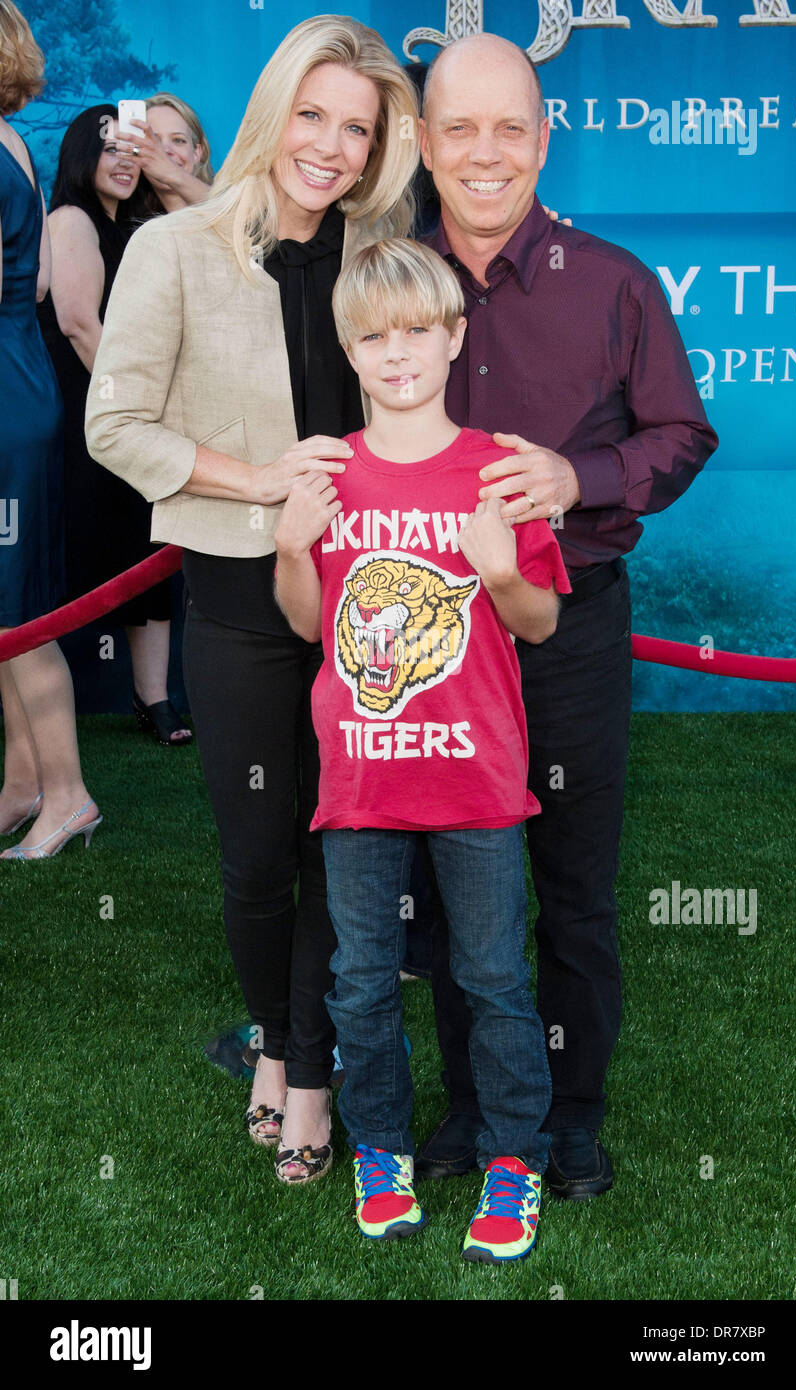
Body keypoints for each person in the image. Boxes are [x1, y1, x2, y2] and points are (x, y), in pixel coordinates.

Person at [85, 16, 419, 1181]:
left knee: (348, 843)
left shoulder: (382, 256)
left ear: (381, 148)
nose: (329, 147)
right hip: (233, 588)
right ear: (274, 112)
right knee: (256, 849)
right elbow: (116, 424)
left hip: (370, 594)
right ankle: (273, 1041)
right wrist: (265, 478)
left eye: (358, 129)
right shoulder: (173, 251)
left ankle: (312, 1072)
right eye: (314, 116)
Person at [413, 33, 719, 1196]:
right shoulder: (388, 282)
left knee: (572, 885)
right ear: (427, 145)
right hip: (431, 631)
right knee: (443, 882)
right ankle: (468, 1106)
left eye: (509, 128)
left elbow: (679, 434)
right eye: (459, 129)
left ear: (544, 139)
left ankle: (570, 1114)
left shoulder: (614, 281)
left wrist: (572, 479)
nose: (485, 155)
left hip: (569, 624)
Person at [275, 237, 571, 1261]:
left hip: (477, 776)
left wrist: (495, 571)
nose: (394, 352)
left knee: (491, 975)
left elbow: (536, 622)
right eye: (371, 335)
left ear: (452, 336)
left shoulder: (496, 468)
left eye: (415, 330)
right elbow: (311, 625)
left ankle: (511, 1160)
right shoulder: (329, 472)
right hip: (358, 776)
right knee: (359, 979)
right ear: (347, 348)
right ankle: (381, 1149)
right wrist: (286, 543)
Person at [36, 105, 193, 747]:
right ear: (79, 157)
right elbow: (80, 326)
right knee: (87, 557)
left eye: (135, 150)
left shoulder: (138, 226)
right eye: (111, 148)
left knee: (148, 550)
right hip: (88, 422)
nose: (126, 160)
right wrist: (137, 410)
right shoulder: (71, 220)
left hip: (126, 418)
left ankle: (153, 700)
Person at [0, 0, 101, 861]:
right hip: (17, 388)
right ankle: (23, 782)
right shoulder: (15, 143)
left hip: (6, 402)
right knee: (3, 605)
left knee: (18, 613)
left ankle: (66, 794)